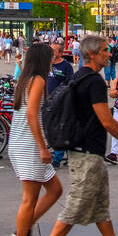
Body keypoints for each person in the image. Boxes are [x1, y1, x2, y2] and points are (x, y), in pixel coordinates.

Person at [32, 35, 118, 236]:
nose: (109, 54)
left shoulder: (77, 76)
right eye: (105, 50)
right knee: (77, 205)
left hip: (82, 150)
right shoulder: (93, 81)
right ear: (92, 54)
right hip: (86, 155)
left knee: (100, 206)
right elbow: (108, 121)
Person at [8, 41, 63, 236]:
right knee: (29, 199)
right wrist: (42, 146)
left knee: (55, 190)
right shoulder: (38, 80)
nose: (53, 61)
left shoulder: (25, 79)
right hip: (28, 145)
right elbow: (32, 115)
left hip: (19, 142)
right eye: (50, 57)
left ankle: (24, 228)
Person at [47, 41, 75, 169]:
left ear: (60, 52)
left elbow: (71, 84)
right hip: (47, 102)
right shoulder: (47, 64)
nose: (51, 53)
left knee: (60, 130)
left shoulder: (66, 66)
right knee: (51, 129)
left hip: (60, 102)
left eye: (53, 51)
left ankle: (57, 158)